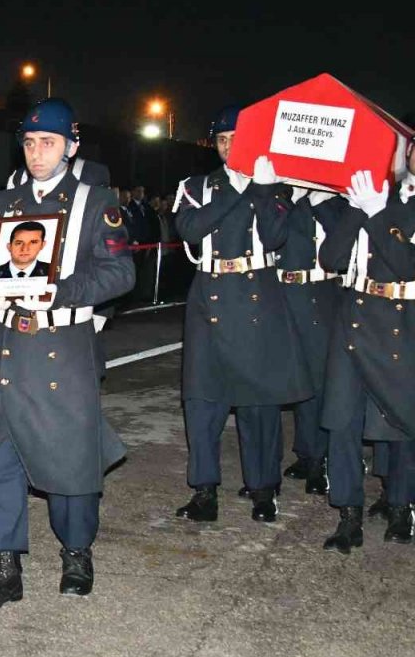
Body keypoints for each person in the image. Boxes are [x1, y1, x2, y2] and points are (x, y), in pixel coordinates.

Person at [0, 98, 134, 608]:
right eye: (31, 143)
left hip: (63, 343)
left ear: (71, 147)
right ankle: (4, 568)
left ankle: (77, 552)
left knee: (71, 459)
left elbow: (122, 273)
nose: (38, 153)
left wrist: (60, 290)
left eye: (50, 143)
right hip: (10, 345)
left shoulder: (94, 201)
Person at [172, 107, 311, 524]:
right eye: (221, 139)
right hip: (209, 295)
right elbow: (191, 228)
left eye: (237, 137)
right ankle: (204, 490)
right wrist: (243, 190)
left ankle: (264, 489)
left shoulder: (275, 186)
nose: (229, 146)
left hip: (257, 294)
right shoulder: (196, 186)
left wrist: (266, 191)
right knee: (202, 400)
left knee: (259, 402)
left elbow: (275, 236)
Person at [317, 154, 415, 551]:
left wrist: (377, 213)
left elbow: (407, 264)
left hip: (401, 320)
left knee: (401, 419)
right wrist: (357, 211)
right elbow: (331, 259)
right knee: (341, 420)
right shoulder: (374, 196)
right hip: (354, 318)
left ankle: (400, 505)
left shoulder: (388, 205)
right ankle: (348, 513)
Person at [275, 187, 346, 496]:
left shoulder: (338, 203)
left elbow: (344, 242)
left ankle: (318, 459)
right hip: (281, 293)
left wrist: (321, 202)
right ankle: (303, 453)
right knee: (290, 379)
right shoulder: (281, 196)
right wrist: (291, 197)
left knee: (318, 381)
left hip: (321, 293)